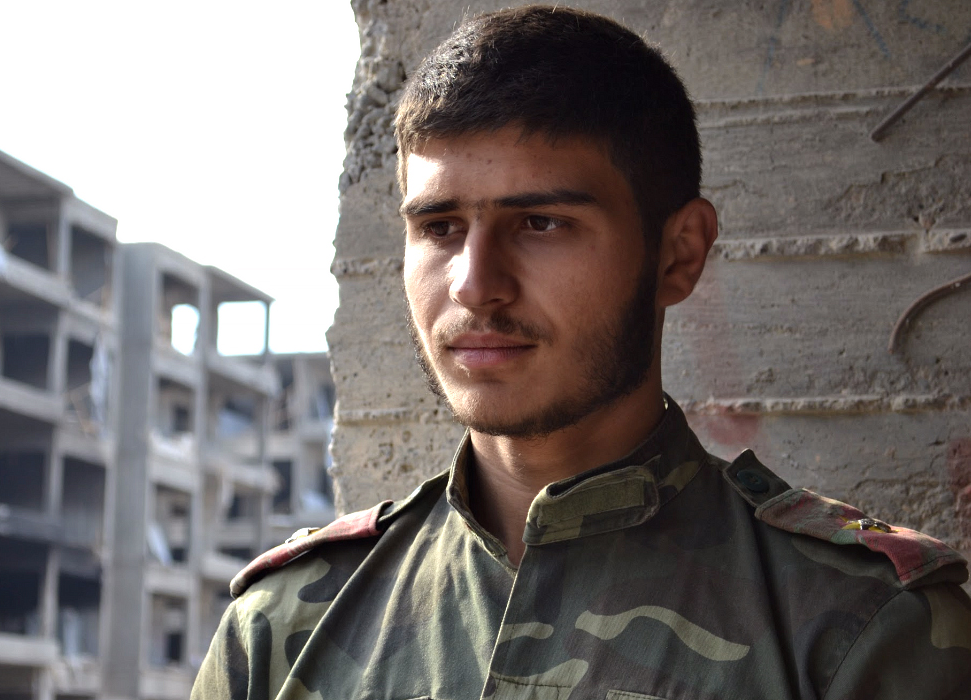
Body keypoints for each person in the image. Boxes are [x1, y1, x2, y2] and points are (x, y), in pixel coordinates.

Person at [191, 6, 971, 699]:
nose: (475, 285)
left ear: (678, 254)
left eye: (539, 224)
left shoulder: (859, 628)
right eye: (438, 228)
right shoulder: (283, 628)